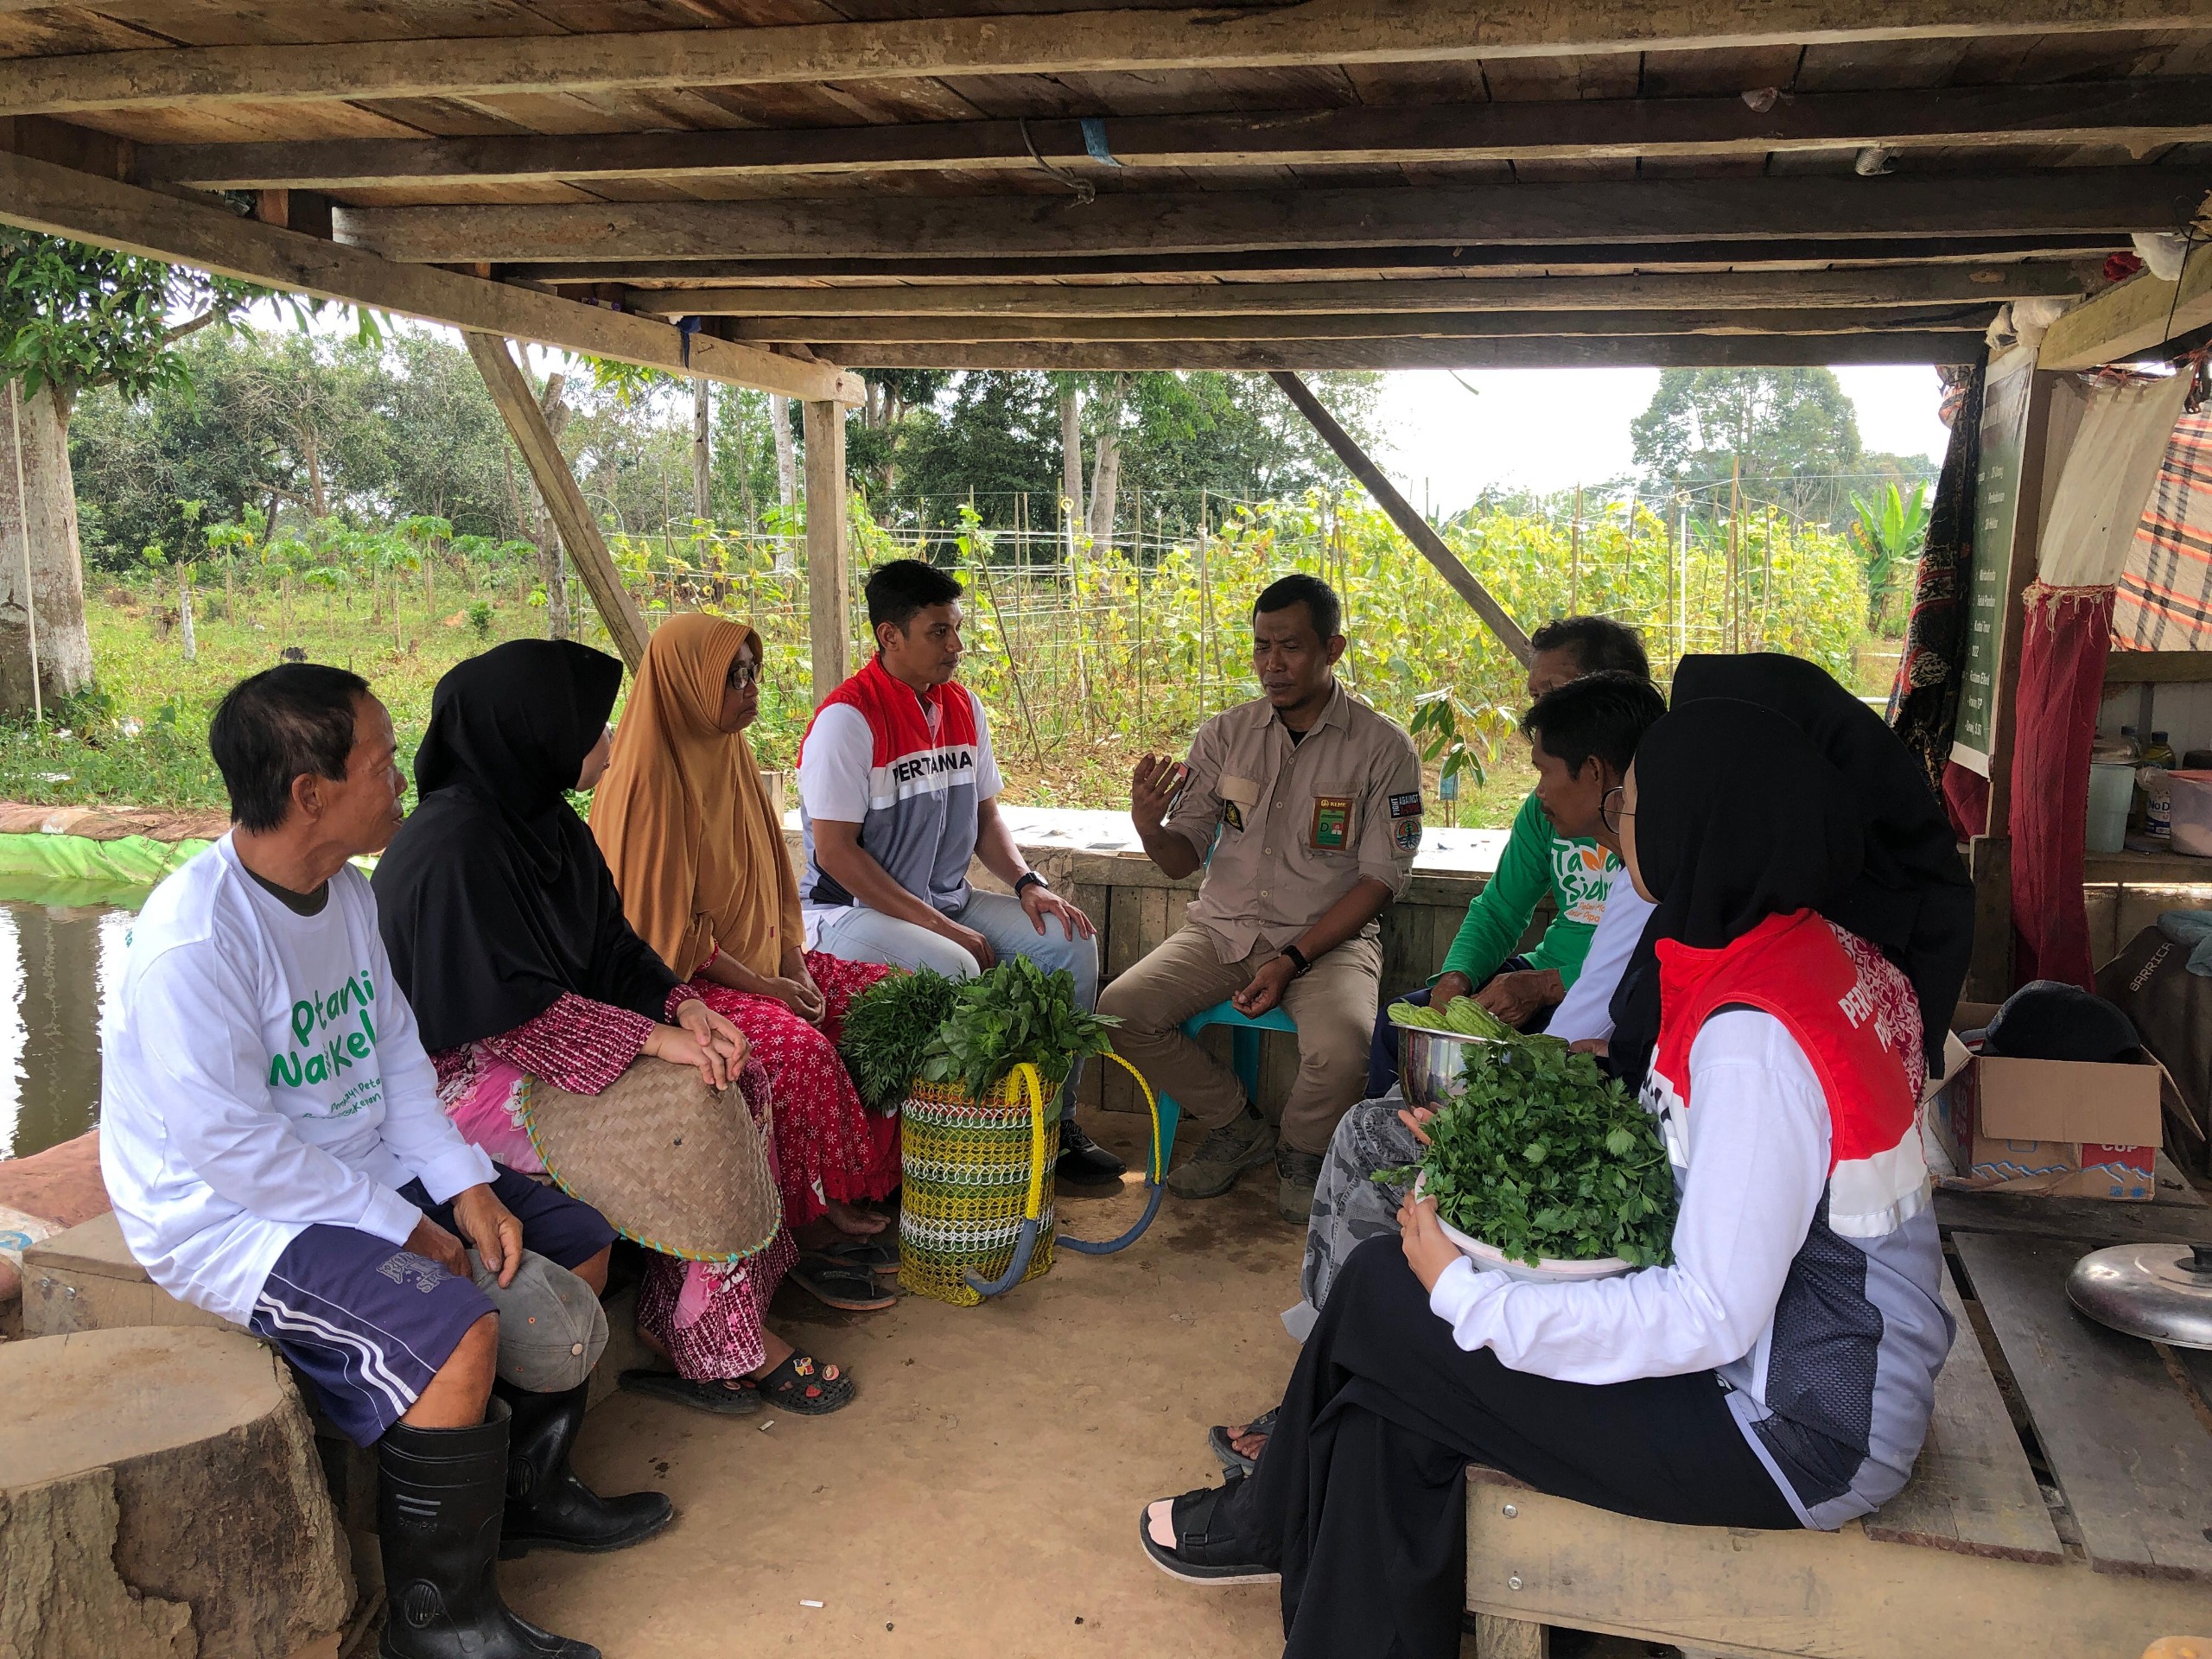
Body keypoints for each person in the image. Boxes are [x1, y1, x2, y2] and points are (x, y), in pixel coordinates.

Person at [1139, 697, 1956, 1659]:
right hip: (1810, 1365)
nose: (1618, 834)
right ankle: (1285, 1529)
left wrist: (1470, 1295)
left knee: (1386, 1301)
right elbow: (1705, 1175)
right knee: (1380, 1401)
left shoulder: (1754, 1035)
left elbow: (1709, 1314)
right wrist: (1490, 1144)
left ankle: (1271, 1520)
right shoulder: (1807, 951)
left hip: (1790, 1430)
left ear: (1702, 825)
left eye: (1632, 814)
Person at [100, 663, 665, 1659]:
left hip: (348, 1164)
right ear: (309, 793)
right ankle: (440, 1623)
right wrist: (408, 1226)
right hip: (234, 1216)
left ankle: (525, 1493)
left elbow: (397, 1061)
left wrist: (463, 1188)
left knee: (570, 1237)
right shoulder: (197, 942)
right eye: (381, 762)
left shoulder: (347, 898)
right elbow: (233, 1151)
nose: (401, 778)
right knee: (456, 1332)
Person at [374, 642, 855, 1418]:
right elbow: (505, 1011)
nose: (605, 744)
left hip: (552, 1044)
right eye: (591, 727)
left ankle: (693, 1311)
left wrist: (681, 1008)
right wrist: (651, 1042)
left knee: (739, 1070)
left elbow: (613, 946)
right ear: (532, 733)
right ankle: (714, 1338)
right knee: (694, 1104)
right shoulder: (449, 850)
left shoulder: (546, 826)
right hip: (454, 1080)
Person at [1212, 671, 1667, 1472]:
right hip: (1563, 1072)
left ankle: (1331, 1410)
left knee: (1390, 1192)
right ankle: (1321, 1369)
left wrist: (1526, 1056)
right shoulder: (1629, 862)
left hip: (1589, 1115)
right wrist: (1470, 990)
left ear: (1602, 775)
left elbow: (1607, 1028)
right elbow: (1511, 920)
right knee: (1365, 1124)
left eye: (1544, 767)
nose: (1536, 785)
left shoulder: (1660, 879)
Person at [590, 613, 903, 1309]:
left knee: (893, 1003)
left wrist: (793, 965)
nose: (749, 688)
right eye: (731, 677)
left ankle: (861, 1180)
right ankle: (807, 1227)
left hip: (765, 960)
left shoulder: (730, 758)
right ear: (686, 684)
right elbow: (663, 935)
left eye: (753, 672)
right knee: (795, 1052)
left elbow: (772, 884)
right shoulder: (644, 783)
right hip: (680, 986)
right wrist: (770, 988)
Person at [1101, 574, 1424, 1222]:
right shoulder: (1225, 735)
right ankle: (1236, 1125)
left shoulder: (1383, 748)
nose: (1272, 664)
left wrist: (1294, 959)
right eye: (1260, 647)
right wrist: (1147, 825)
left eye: (1291, 647)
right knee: (1120, 1010)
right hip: (1223, 933)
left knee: (1345, 1046)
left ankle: (1302, 1154)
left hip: (1326, 944)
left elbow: (1381, 881)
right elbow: (1181, 858)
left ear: (1332, 649)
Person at [796, 557, 1122, 1189]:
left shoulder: (962, 706)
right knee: (956, 965)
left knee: (1071, 944)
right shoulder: (848, 720)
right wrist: (941, 927)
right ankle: (949, 1152)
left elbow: (986, 817)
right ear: (890, 637)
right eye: (939, 632)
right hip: (849, 916)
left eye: (958, 629)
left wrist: (1030, 884)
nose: (957, 646)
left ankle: (1052, 1129)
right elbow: (836, 854)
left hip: (946, 901)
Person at [1365, 614, 1650, 1096]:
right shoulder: (1549, 809)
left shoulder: (1653, 835)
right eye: (1535, 697)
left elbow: (1638, 969)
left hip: (1608, 1001)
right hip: (1541, 981)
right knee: (1401, 1033)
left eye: (1553, 695)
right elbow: (1499, 910)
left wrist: (1546, 987)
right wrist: (1454, 983)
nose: (1538, 714)